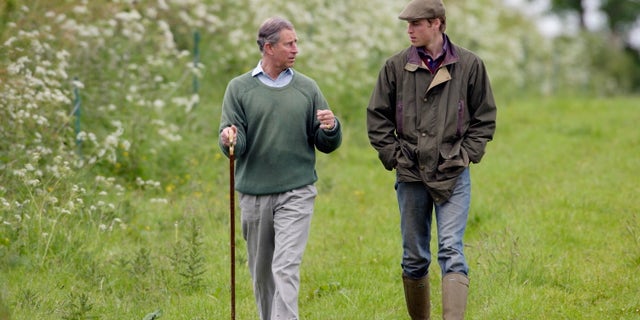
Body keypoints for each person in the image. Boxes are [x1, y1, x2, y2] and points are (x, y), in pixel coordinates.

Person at [366, 0, 497, 319]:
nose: (409, 30)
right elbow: (377, 118)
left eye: (416, 24)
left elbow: (484, 118)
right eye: (407, 25)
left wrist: (466, 155)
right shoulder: (395, 67)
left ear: (437, 23)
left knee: (452, 251)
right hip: (411, 175)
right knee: (413, 257)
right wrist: (396, 157)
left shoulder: (469, 65)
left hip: (453, 172)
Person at [218, 16, 342, 320]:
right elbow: (237, 142)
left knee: (285, 267)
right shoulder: (239, 89)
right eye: (290, 43)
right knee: (262, 275)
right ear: (269, 48)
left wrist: (330, 127)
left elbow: (325, 142)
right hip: (254, 194)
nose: (296, 49)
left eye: (296, 42)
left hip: (297, 191)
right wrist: (229, 138)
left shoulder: (307, 88)